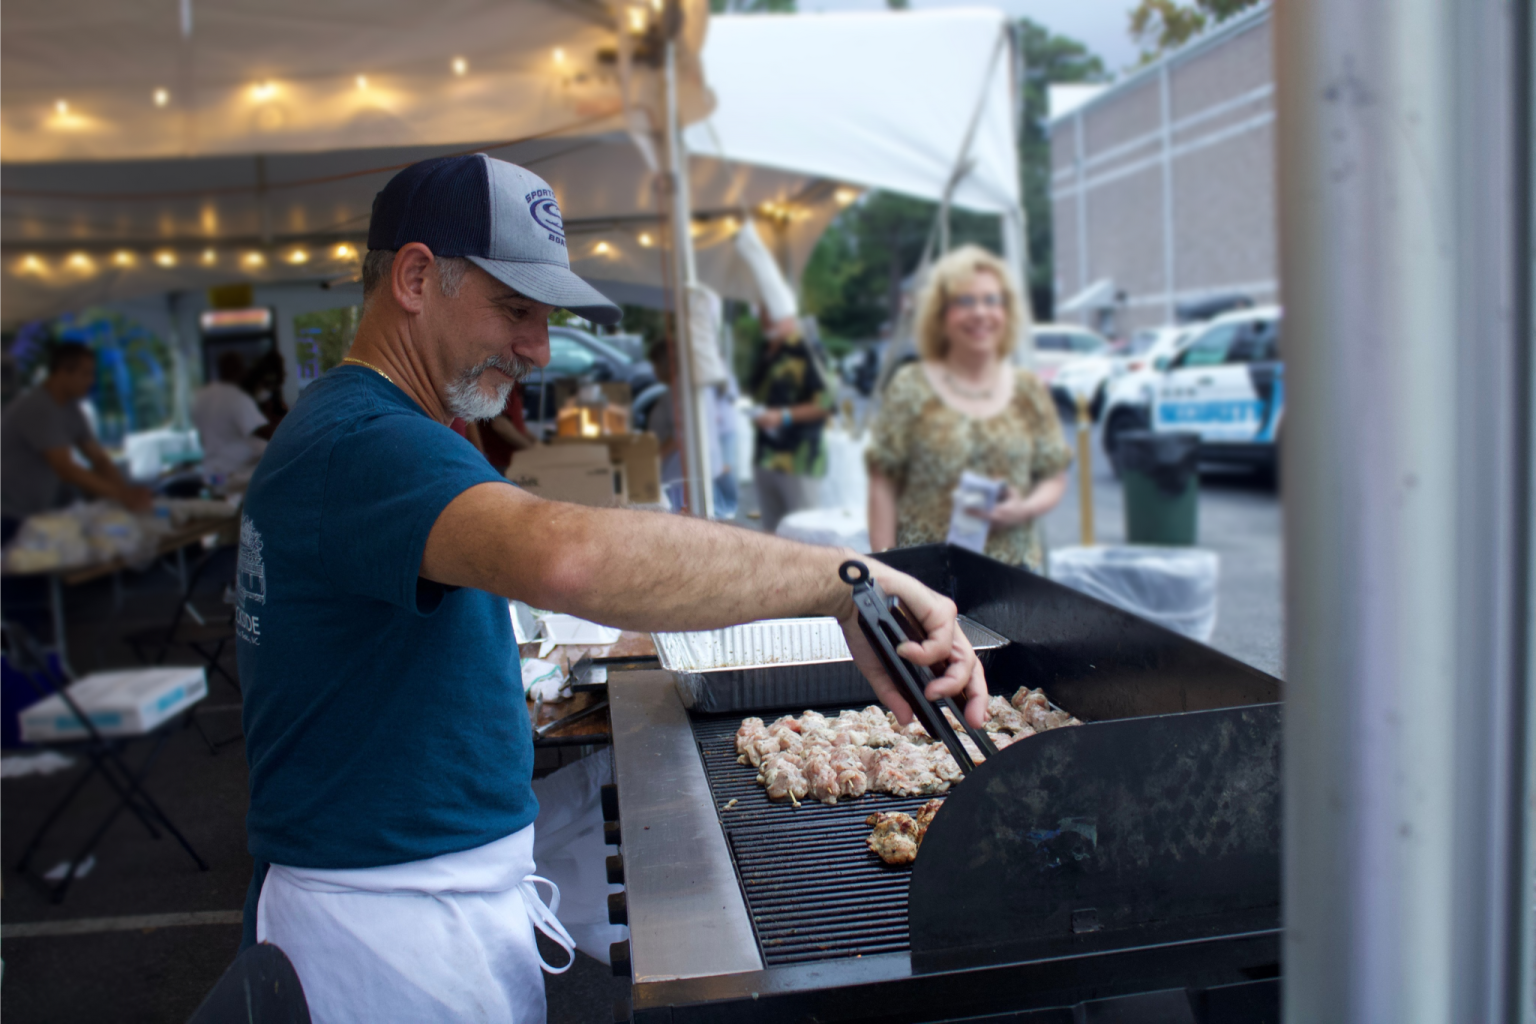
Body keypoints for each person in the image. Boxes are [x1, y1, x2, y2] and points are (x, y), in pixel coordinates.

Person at [236, 154, 987, 1024]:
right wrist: (845, 579)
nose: (538, 347)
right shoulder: (364, 441)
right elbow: (569, 559)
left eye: (544, 316)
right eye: (514, 309)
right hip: (384, 936)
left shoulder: (383, 425)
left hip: (419, 894)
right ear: (413, 277)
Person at [866, 245, 1071, 571]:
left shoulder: (1028, 389)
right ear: (940, 314)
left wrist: (1025, 508)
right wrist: (887, 570)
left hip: (1013, 577)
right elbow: (882, 483)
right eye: (965, 301)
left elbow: (1053, 475)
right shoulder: (910, 385)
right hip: (926, 575)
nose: (980, 312)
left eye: (992, 300)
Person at [0, 343, 152, 543]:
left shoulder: (71, 408)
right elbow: (65, 468)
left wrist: (126, 498)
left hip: (37, 513)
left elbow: (99, 459)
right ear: (63, 372)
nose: (91, 381)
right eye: (85, 374)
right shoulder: (38, 407)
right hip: (9, 516)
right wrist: (123, 495)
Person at [747, 313, 832, 534]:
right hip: (765, 456)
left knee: (804, 534)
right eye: (763, 313)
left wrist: (783, 416)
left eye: (771, 314)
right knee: (772, 534)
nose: (765, 320)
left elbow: (825, 404)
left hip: (799, 459)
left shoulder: (809, 350)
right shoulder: (766, 350)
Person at [191, 352, 270, 485]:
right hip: (234, 476)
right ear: (237, 370)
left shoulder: (201, 397)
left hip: (211, 475)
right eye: (242, 368)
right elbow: (264, 432)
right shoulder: (237, 398)